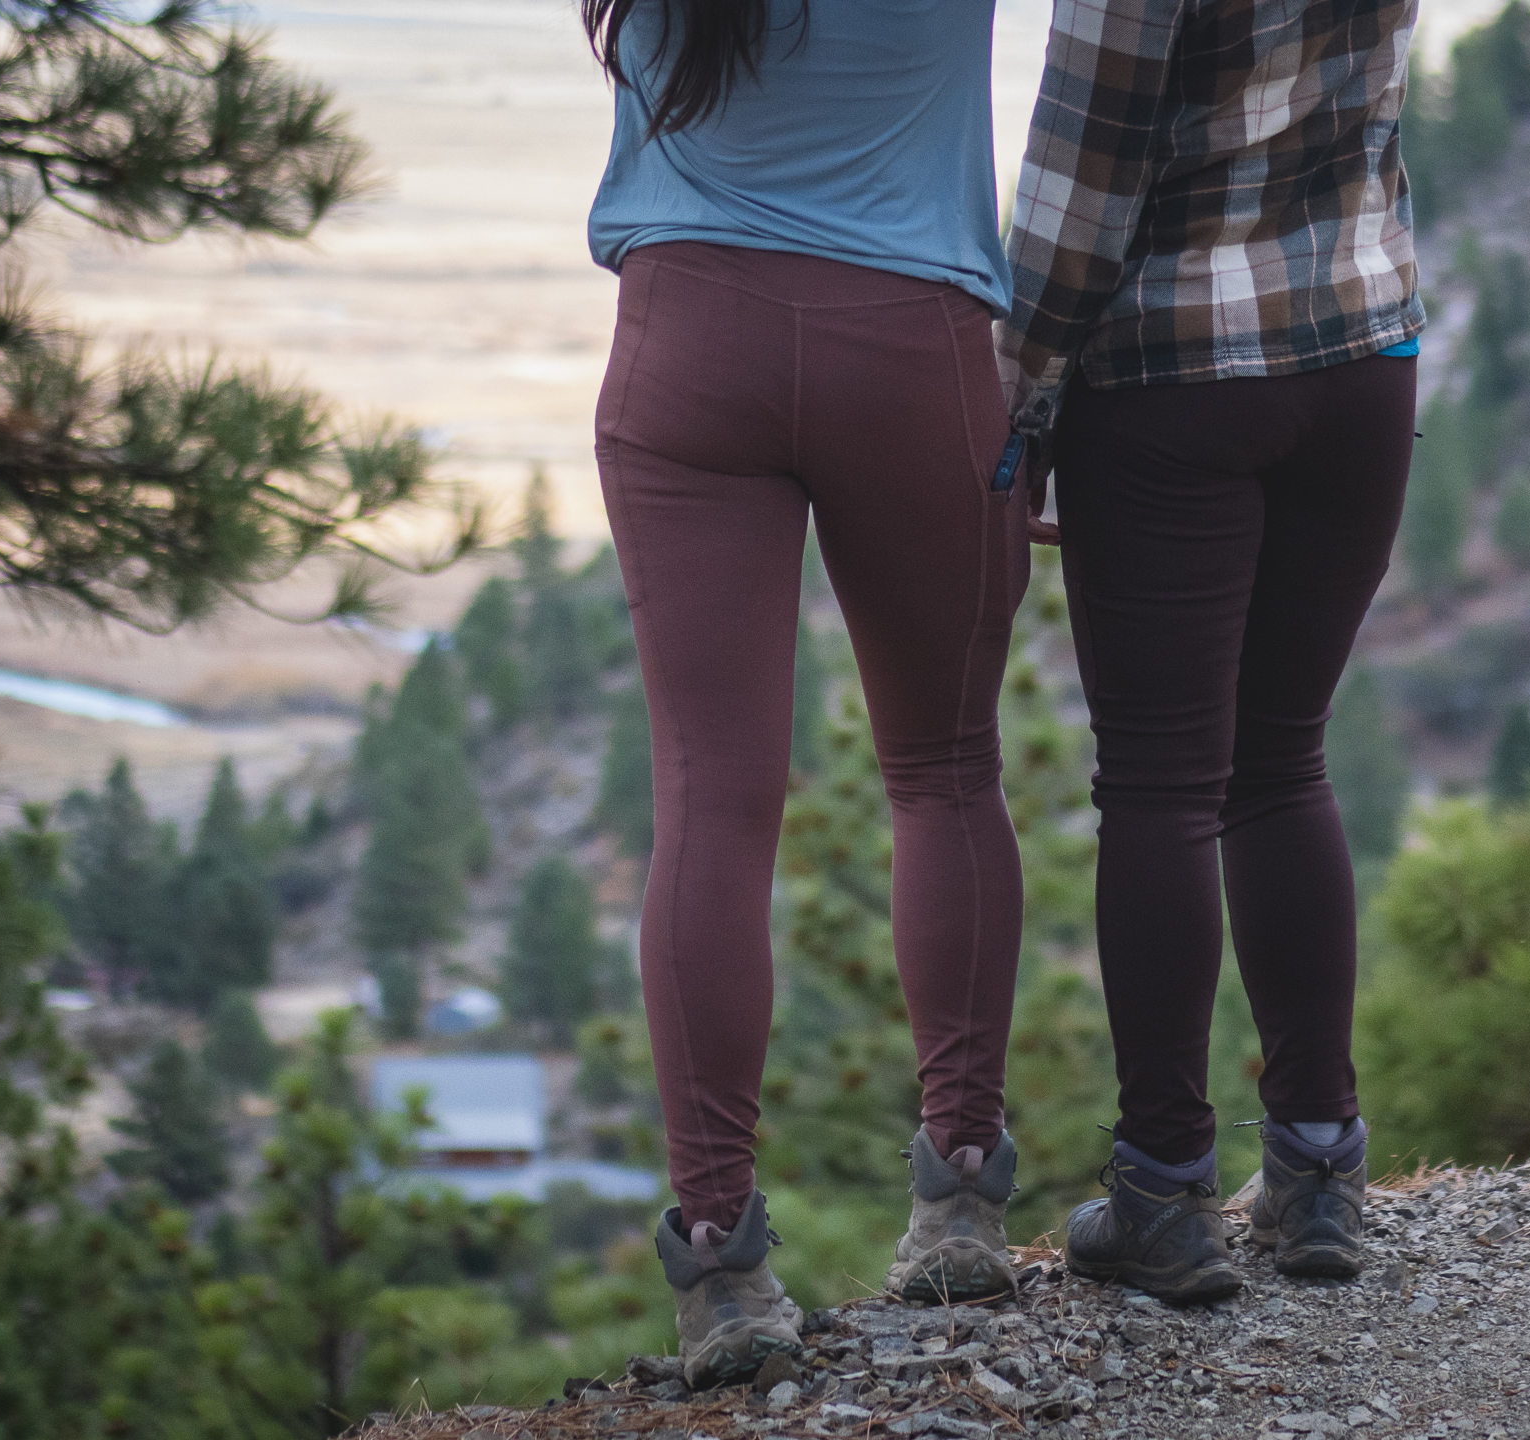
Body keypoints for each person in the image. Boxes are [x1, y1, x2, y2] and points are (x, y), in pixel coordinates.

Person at [582, 0, 1030, 1384]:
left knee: (711, 807)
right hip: (914, 349)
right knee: (946, 770)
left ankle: (719, 1259)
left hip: (687, 337)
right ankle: (960, 1191)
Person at [997, 0, 1424, 1304]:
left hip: (1174, 368)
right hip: (1362, 347)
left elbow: (1085, 175)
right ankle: (1315, 1175)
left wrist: (1016, 398)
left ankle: (1164, 1193)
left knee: (1164, 788)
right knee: (1282, 762)